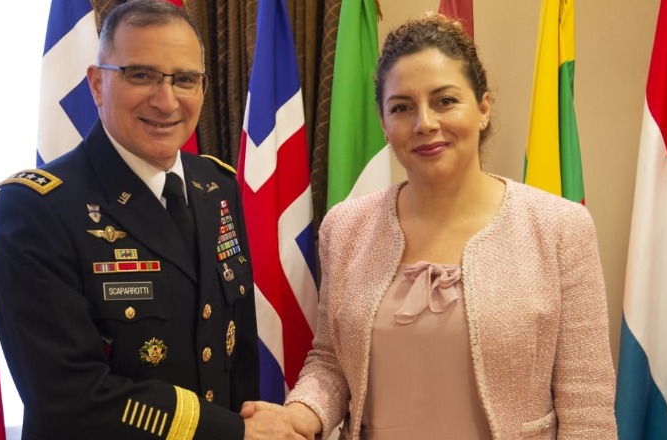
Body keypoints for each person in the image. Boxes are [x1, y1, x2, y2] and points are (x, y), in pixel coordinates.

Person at [244, 14, 618, 440]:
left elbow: (587, 406)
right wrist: (298, 417)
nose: (424, 123)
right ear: (384, 123)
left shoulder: (560, 228)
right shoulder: (345, 228)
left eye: (445, 100)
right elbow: (331, 362)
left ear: (483, 108)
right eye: (402, 107)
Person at [0, 1, 269, 438]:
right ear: (97, 84)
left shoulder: (217, 186)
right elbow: (68, 396)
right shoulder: (37, 209)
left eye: (185, 79)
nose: (166, 100)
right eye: (140, 75)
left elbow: (238, 356)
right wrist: (234, 432)